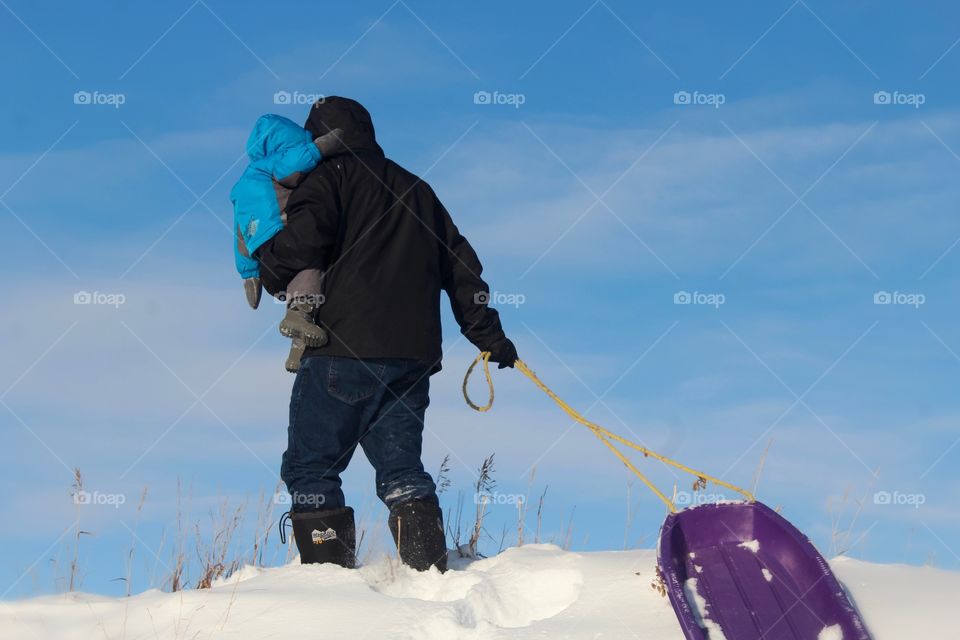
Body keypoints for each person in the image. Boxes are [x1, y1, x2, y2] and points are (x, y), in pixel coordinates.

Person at [257, 97, 518, 572]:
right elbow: (462, 270)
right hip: (412, 360)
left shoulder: (328, 180)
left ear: (317, 138)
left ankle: (324, 587)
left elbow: (302, 247)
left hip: (341, 348)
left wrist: (266, 260)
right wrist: (489, 337)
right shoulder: (418, 190)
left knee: (312, 468)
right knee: (402, 472)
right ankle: (431, 578)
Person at [230, 114, 347, 372]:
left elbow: (239, 235)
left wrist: (250, 275)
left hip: (259, 245)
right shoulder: (273, 163)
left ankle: (298, 349)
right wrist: (323, 146)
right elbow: (294, 169)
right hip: (281, 229)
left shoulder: (241, 186)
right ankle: (298, 312)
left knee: (297, 285)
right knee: (311, 267)